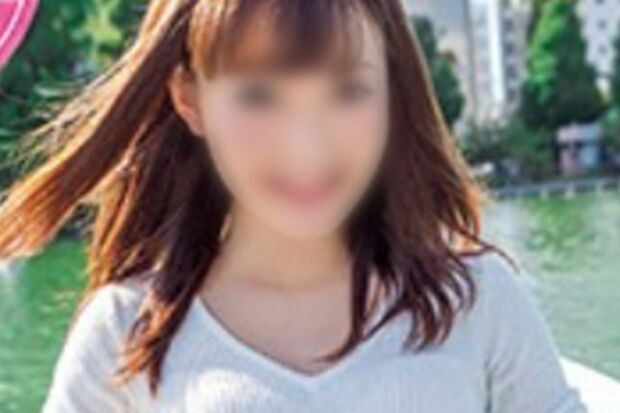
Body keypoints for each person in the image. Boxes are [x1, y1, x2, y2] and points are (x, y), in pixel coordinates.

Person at [0, 0, 588, 412]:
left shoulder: (474, 298)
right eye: (259, 96)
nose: (306, 145)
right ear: (190, 99)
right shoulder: (127, 331)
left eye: (346, 91)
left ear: (393, 89)